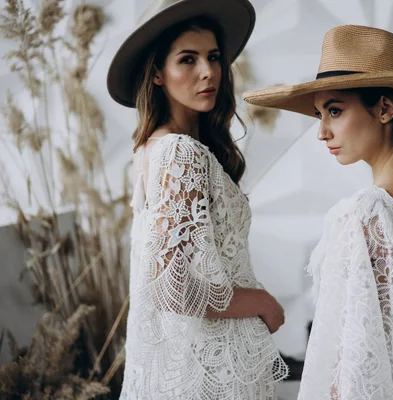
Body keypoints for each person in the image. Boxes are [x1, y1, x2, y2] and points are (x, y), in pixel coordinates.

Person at [243, 24, 393, 399]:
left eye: (334, 111)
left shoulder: (365, 214)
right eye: (320, 114)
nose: (321, 131)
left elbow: (350, 355)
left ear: (385, 108)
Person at [106, 0, 288, 398]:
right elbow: (174, 289)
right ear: (157, 74)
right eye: (187, 59)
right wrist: (262, 301)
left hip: (190, 361)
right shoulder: (179, 152)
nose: (208, 72)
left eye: (214, 57)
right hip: (208, 367)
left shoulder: (151, 148)